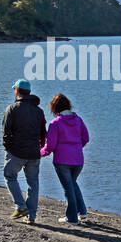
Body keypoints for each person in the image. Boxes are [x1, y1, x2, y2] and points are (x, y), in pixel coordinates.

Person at [40, 93, 90, 224]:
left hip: (62, 161)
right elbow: (86, 138)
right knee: (72, 184)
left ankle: (72, 218)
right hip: (78, 160)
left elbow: (50, 146)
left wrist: (39, 153)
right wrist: (77, 147)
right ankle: (82, 212)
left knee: (68, 188)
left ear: (54, 108)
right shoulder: (78, 120)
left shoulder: (55, 123)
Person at [1, 79, 46, 224]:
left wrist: (7, 148)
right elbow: (43, 133)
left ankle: (21, 206)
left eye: (14, 89)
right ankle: (31, 215)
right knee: (33, 184)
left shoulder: (12, 108)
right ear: (29, 92)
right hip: (34, 153)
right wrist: (40, 147)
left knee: (9, 175)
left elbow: (6, 132)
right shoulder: (39, 111)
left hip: (17, 152)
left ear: (17, 91)